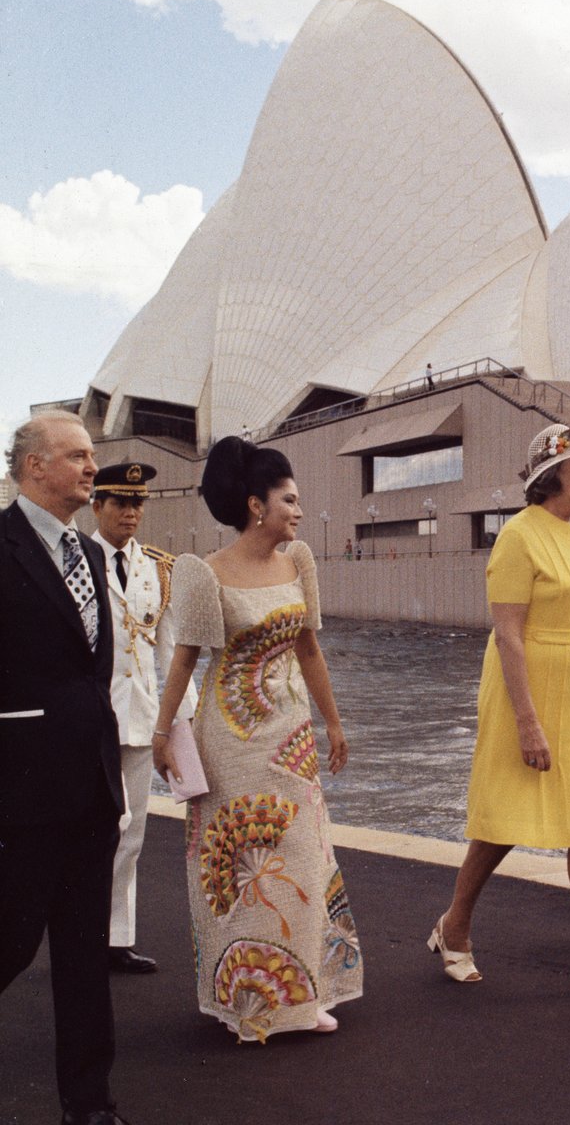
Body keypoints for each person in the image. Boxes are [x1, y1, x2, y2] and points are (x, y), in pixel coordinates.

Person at [429, 424, 570, 999]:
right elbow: (508, 636)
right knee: (502, 819)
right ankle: (454, 926)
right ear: (551, 473)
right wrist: (527, 721)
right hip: (522, 686)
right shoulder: (517, 538)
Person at [152, 438, 362, 1041]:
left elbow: (310, 649)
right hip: (230, 741)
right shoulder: (203, 572)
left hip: (291, 734)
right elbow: (185, 661)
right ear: (255, 504)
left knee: (303, 856)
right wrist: (165, 735)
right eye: (288, 499)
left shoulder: (300, 563)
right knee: (241, 863)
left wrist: (334, 723)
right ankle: (249, 998)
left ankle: (304, 991)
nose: (298, 510)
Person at [0, 412, 127, 1124]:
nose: (91, 466)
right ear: (34, 466)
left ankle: (90, 1105)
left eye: (92, 454)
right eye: (77, 455)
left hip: (90, 791)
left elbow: (92, 673)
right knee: (11, 944)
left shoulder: (92, 552)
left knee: (83, 958)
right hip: (20, 795)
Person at [91, 462, 198, 976]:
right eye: (120, 504)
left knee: (129, 831)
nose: (131, 513)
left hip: (138, 720)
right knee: (81, 831)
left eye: (138, 505)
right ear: (97, 507)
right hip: (85, 723)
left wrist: (185, 722)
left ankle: (114, 940)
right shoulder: (76, 558)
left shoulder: (159, 568)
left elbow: (176, 651)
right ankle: (77, 933)